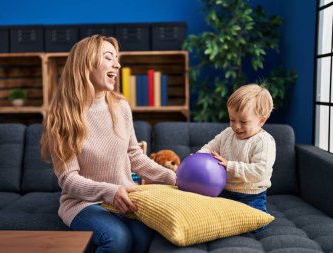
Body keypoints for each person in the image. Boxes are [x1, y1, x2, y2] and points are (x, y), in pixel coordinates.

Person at [41, 35, 176, 253]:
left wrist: (174, 178)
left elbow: (135, 156)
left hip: (125, 200)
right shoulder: (62, 116)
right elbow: (68, 180)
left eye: (117, 58)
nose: (117, 64)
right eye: (108, 57)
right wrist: (109, 191)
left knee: (144, 237)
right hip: (83, 203)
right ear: (86, 64)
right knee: (118, 239)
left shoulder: (121, 106)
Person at [197, 84, 276, 226]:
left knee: (254, 225)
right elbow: (211, 146)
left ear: (261, 120)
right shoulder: (228, 133)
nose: (236, 126)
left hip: (251, 196)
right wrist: (199, 156)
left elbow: (260, 171)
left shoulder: (264, 142)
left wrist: (229, 166)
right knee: (210, 216)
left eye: (243, 122)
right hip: (225, 191)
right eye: (232, 120)